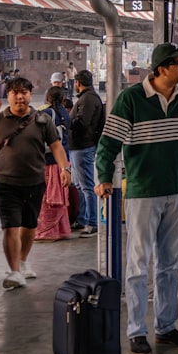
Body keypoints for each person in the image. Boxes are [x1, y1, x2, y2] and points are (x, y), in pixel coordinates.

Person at [95, 43, 178, 354]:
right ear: (161, 68)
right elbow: (108, 143)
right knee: (137, 264)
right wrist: (104, 178)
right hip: (143, 193)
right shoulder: (131, 99)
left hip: (177, 189)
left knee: (170, 264)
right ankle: (136, 332)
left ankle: (166, 327)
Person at [0, 77, 71, 289]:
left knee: (29, 226)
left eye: (24, 92)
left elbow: (56, 146)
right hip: (6, 184)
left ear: (29, 95)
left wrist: (65, 169)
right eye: (15, 92)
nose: (20, 96)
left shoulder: (42, 120)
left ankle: (23, 262)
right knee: (11, 226)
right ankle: (15, 270)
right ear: (7, 95)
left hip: (35, 182)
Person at [35, 86, 72, 242]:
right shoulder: (65, 113)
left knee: (47, 199)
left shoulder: (47, 113)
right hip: (63, 161)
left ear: (48, 98)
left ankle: (45, 232)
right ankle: (61, 230)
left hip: (48, 161)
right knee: (59, 199)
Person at [68, 70, 102, 238]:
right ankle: (82, 219)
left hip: (83, 146)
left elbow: (83, 122)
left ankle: (92, 223)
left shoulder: (88, 99)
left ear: (78, 83)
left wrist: (67, 121)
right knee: (80, 186)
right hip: (77, 147)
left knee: (87, 187)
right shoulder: (87, 97)